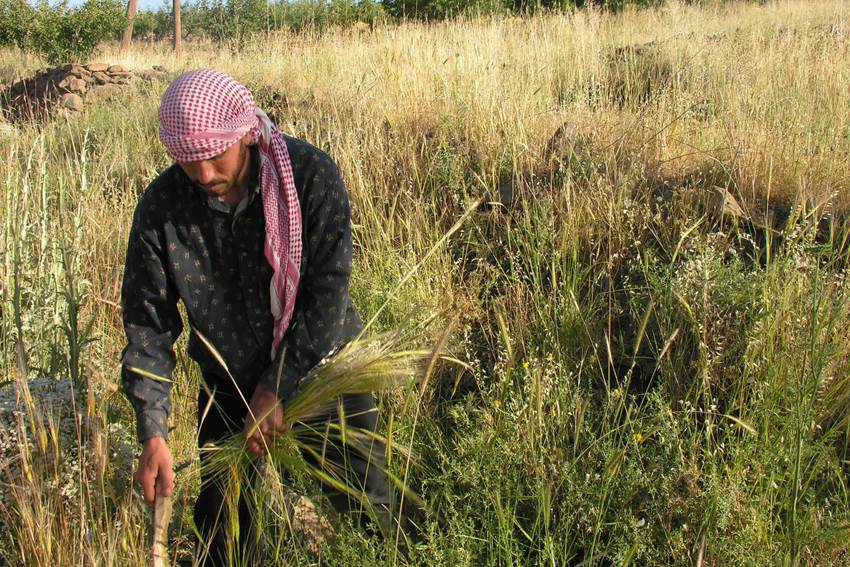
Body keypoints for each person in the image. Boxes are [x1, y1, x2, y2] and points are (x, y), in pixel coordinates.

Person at [120, 69, 390, 565]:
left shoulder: (309, 177)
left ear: (245, 132)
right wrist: (153, 431)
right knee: (228, 539)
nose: (203, 175)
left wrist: (277, 386)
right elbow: (147, 326)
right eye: (187, 160)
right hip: (229, 388)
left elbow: (326, 297)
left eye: (214, 154)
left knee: (369, 513)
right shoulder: (162, 207)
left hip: (322, 369)